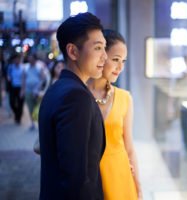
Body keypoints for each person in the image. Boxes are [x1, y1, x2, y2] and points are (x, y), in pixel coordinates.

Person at [38, 12, 107, 200]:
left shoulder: (58, 89)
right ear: (73, 51)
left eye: (105, 48)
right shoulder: (76, 97)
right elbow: (75, 179)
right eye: (98, 48)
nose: (105, 57)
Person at [87, 30, 143, 200]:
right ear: (101, 56)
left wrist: (138, 188)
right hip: (88, 179)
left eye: (123, 61)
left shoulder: (125, 98)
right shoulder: (79, 95)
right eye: (116, 59)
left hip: (119, 179)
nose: (121, 67)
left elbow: (129, 148)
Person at [21, 54, 44, 131]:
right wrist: (22, 90)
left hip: (37, 92)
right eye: (29, 58)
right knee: (30, 107)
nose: (30, 59)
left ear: (35, 59)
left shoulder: (39, 67)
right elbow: (23, 79)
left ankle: (40, 123)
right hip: (28, 90)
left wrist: (36, 89)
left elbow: (43, 79)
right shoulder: (25, 67)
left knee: (38, 108)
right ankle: (32, 124)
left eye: (32, 58)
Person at [7, 54, 24, 124]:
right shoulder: (11, 67)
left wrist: (23, 89)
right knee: (11, 102)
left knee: (20, 103)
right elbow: (8, 76)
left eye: (18, 59)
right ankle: (17, 113)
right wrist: (9, 78)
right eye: (16, 59)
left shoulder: (23, 67)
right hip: (13, 87)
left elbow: (24, 78)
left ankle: (18, 118)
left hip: (20, 87)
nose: (17, 60)